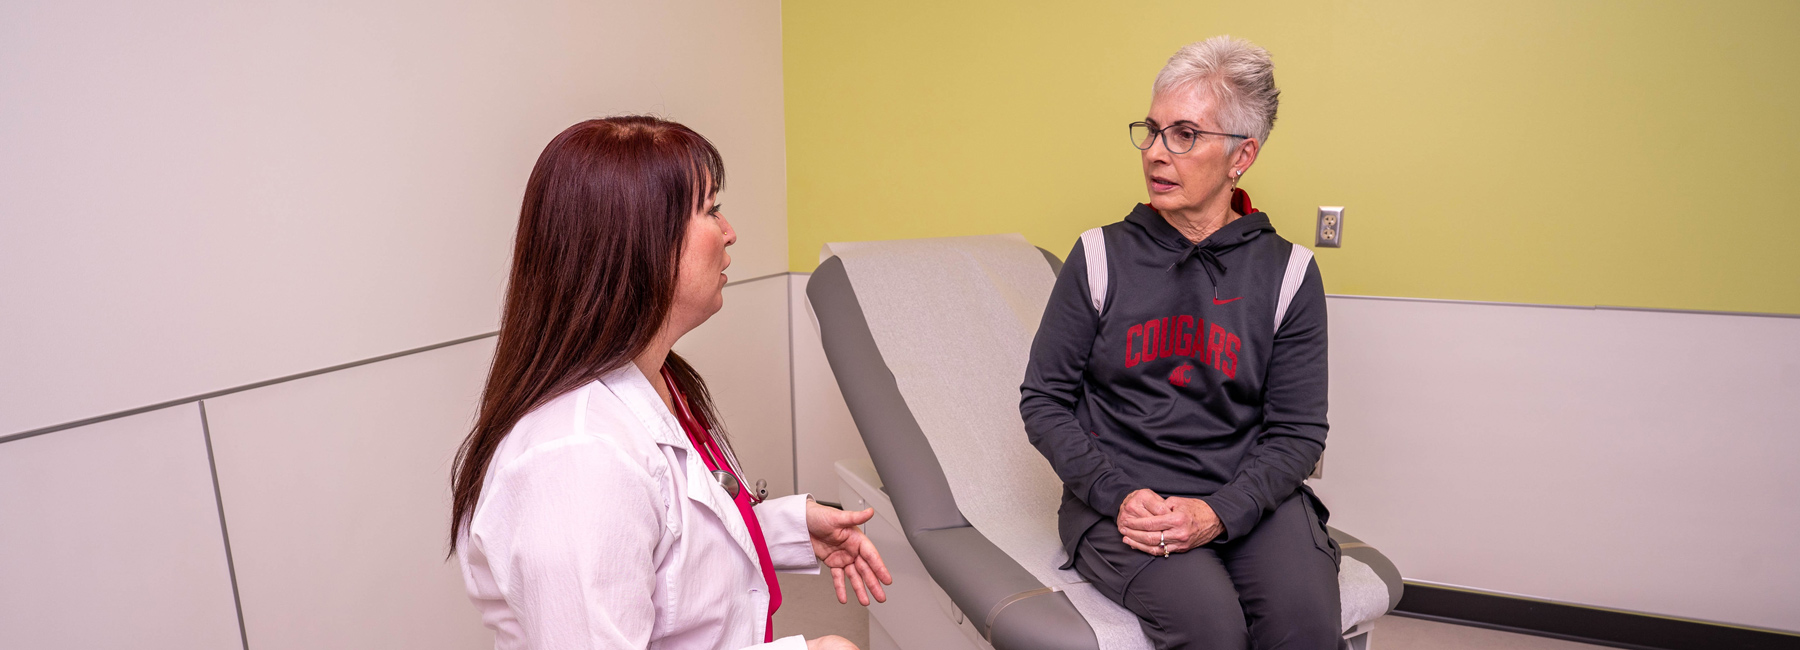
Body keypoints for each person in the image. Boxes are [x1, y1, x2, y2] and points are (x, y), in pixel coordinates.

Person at [448, 116, 891, 650]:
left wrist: (786, 529)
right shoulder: (578, 458)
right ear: (638, 241)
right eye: (711, 210)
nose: (729, 232)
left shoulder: (653, 382)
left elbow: (668, 551)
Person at [1021, 37, 1340, 649]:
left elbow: (1297, 432)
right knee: (1211, 628)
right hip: (1125, 504)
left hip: (1248, 496)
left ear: (1241, 156)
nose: (1156, 153)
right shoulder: (1098, 257)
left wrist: (1219, 512)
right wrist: (1118, 495)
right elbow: (1043, 400)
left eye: (1185, 134)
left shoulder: (1289, 273)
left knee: (1305, 625)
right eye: (1152, 130)